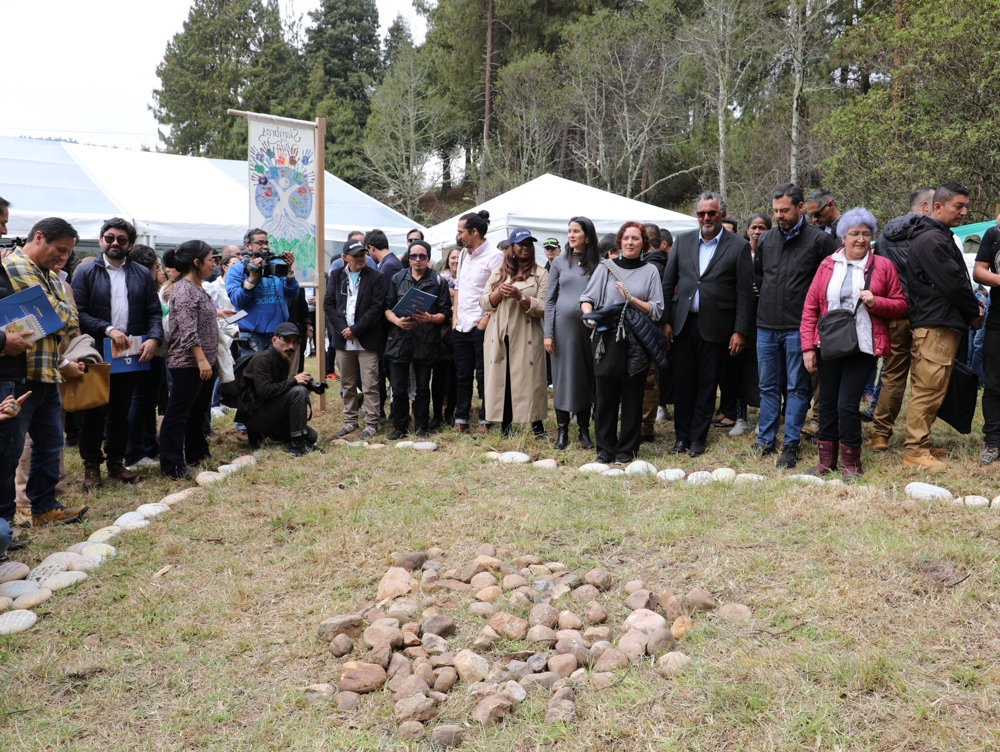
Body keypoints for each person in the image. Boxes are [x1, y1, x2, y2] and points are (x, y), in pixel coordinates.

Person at [800, 208, 907, 481]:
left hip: (864, 345)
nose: (860, 239)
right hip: (829, 345)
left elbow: (901, 305)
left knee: (847, 404)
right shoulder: (827, 264)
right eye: (854, 234)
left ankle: (852, 464)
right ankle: (826, 462)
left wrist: (876, 301)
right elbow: (810, 307)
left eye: (866, 234)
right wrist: (808, 347)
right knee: (826, 404)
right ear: (842, 236)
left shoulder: (882, 266)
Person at [2, 218, 89, 526]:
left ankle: (44, 507)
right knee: (10, 452)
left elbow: (70, 318)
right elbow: (57, 316)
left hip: (47, 371)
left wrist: (56, 311)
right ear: (38, 237)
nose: (63, 258)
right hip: (18, 375)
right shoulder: (17, 265)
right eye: (59, 249)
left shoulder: (47, 273)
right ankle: (7, 521)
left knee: (51, 444)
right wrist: (57, 311)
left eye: (67, 253)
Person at [749, 183, 838, 469]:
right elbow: (761, 278)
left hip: (799, 327)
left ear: (800, 208)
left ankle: (790, 444)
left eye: (784, 210)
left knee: (798, 387)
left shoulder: (820, 241)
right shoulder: (766, 240)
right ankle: (764, 441)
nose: (779, 216)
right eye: (775, 211)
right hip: (766, 325)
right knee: (767, 386)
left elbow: (828, 283)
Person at [71, 218, 163, 490]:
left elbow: (153, 313)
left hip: (131, 354)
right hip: (97, 352)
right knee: (94, 412)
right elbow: (79, 313)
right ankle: (91, 466)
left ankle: (115, 462)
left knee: (120, 412)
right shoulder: (86, 273)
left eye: (121, 240)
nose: (114, 243)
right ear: (101, 240)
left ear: (130, 245)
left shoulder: (139, 274)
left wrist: (155, 339)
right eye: (109, 238)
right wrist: (108, 329)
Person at [661, 192, 753, 457]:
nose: (706, 218)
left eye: (711, 213)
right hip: (683, 324)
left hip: (717, 327)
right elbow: (668, 283)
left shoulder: (737, 246)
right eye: (701, 213)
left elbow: (745, 293)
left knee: (707, 384)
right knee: (683, 383)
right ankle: (681, 438)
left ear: (722, 214)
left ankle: (698, 438)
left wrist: (740, 330)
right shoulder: (683, 241)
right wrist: (665, 321)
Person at [902, 183, 982, 470]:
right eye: (957, 206)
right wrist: (973, 311)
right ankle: (914, 452)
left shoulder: (939, 237)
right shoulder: (931, 240)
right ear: (937, 207)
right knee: (927, 388)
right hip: (934, 325)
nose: (963, 212)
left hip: (942, 322)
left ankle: (921, 443)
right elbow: (955, 283)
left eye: (965, 207)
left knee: (935, 388)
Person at [580, 222, 664, 464]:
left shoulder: (650, 272)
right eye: (626, 238)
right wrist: (589, 317)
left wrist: (631, 299)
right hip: (607, 338)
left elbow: (657, 311)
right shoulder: (605, 267)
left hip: (636, 339)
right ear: (619, 242)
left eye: (635, 239)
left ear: (643, 244)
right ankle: (604, 451)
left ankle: (626, 451)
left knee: (632, 396)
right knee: (605, 396)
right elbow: (587, 298)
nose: (630, 242)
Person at [868, 186, 934, 452]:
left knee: (892, 376)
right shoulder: (931, 233)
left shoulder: (885, 234)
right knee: (924, 380)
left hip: (895, 313)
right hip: (925, 315)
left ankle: (879, 435)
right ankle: (917, 440)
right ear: (927, 207)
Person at [226, 228, 300, 441]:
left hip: (278, 337)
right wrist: (252, 277)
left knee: (276, 380)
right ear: (247, 246)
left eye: (266, 242)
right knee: (250, 382)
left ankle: (272, 420)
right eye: (259, 243)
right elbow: (238, 302)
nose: (265, 246)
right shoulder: (237, 269)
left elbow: (293, 293)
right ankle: (244, 425)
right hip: (253, 335)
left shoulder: (275, 266)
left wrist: (289, 270)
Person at [159, 241, 219, 480]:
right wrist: (201, 360)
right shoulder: (183, 289)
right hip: (189, 363)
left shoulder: (198, 287)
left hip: (204, 361)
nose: (214, 263)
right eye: (210, 259)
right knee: (178, 414)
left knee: (198, 410)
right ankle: (172, 465)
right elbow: (187, 330)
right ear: (197, 263)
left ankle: (197, 452)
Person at [481, 229, 549, 438]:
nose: (526, 247)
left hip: (527, 335)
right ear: (512, 248)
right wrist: (498, 293)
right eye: (521, 243)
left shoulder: (541, 274)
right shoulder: (499, 273)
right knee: (504, 379)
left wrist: (521, 297)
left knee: (531, 380)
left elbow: (546, 306)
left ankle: (537, 427)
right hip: (500, 335)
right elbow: (484, 302)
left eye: (529, 243)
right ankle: (505, 427)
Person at [384, 240, 452, 440]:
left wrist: (430, 318)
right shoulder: (397, 278)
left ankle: (421, 426)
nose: (418, 260)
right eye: (413, 256)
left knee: (422, 387)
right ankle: (400, 426)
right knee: (398, 387)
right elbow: (387, 308)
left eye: (422, 256)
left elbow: (445, 314)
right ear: (408, 258)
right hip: (400, 339)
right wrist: (397, 321)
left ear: (428, 259)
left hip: (425, 341)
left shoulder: (438, 281)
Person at [545, 217, 599, 450]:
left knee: (585, 378)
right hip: (561, 330)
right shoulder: (558, 262)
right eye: (569, 231)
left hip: (588, 331)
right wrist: (548, 333)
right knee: (562, 378)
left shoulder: (598, 263)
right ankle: (562, 431)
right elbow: (549, 300)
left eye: (576, 231)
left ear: (587, 236)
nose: (571, 235)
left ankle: (585, 431)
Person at [325, 239, 386, 441]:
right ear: (345, 258)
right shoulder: (335, 276)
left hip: (366, 339)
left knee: (370, 384)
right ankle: (350, 421)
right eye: (356, 255)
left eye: (363, 254)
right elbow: (329, 306)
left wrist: (355, 330)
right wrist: (344, 329)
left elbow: (376, 308)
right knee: (348, 383)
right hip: (343, 340)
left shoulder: (376, 276)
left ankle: (371, 423)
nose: (360, 258)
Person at [0, 196, 34, 552]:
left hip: (9, 370)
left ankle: (4, 527)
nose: (5, 232)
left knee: (7, 451)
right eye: (0, 222)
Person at [452, 210, 503, 435]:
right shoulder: (464, 254)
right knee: (462, 375)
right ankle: (461, 418)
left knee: (484, 375)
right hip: (461, 324)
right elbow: (459, 289)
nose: (458, 236)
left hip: (481, 325)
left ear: (474, 232)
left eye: (461, 232)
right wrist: (455, 318)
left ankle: (486, 419)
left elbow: (500, 292)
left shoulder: (495, 256)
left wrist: (486, 320)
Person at [236, 322, 318, 455]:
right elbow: (264, 392)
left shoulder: (284, 360)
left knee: (311, 436)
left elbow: (279, 392)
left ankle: (294, 440)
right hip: (255, 416)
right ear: (274, 340)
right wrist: (293, 382)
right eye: (286, 341)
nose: (291, 346)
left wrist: (297, 384)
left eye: (294, 342)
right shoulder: (262, 358)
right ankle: (297, 448)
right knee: (298, 391)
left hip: (269, 411)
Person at [124, 245, 167, 468]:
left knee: (147, 402)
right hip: (142, 350)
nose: (159, 271)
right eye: (156, 267)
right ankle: (134, 454)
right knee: (140, 402)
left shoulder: (144, 287)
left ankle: (148, 447)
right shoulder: (140, 288)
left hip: (152, 350)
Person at [367, 229, 403, 423]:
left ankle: (391, 413)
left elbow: (385, 300)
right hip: (388, 327)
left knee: (388, 372)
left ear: (371, 248)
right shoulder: (389, 263)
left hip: (389, 328)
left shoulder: (389, 266)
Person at [974, 221, 1000, 463]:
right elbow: (979, 271)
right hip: (998, 319)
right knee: (993, 382)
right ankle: (993, 442)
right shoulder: (994, 234)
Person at [431, 245, 462, 429]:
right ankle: (437, 414)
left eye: (459, 258)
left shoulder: (469, 279)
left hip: (460, 334)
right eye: (453, 258)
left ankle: (451, 412)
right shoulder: (439, 280)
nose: (456, 261)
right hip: (441, 334)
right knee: (439, 376)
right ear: (446, 261)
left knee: (457, 377)